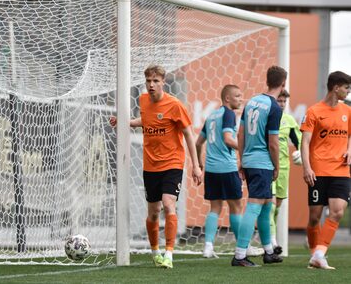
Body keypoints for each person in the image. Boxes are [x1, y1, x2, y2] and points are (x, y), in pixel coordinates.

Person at [110, 65, 202, 269]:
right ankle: (155, 252)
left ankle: (169, 254)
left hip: (172, 163)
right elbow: (147, 120)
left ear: (163, 82)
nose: (151, 85)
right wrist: (127, 122)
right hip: (150, 165)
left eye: (155, 81)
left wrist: (195, 165)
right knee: (153, 211)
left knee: (169, 204)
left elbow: (188, 134)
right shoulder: (143, 101)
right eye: (148, 81)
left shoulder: (175, 105)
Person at [232, 65, 287, 267]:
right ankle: (239, 256)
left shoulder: (252, 102)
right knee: (254, 206)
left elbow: (240, 134)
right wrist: (277, 167)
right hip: (263, 163)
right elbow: (273, 143)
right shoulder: (274, 107)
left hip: (249, 160)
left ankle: (269, 252)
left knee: (266, 207)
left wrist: (242, 160)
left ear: (267, 80)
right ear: (283, 84)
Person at [300, 71, 351, 270]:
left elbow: (349, 136)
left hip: (341, 170)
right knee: (314, 216)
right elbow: (305, 143)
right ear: (335, 87)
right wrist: (307, 168)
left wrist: (349, 150)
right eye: (346, 87)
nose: (348, 91)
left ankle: (320, 253)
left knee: (337, 211)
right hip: (318, 170)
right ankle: (314, 255)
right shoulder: (313, 111)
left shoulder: (347, 111)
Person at [196, 84, 243, 258]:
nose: (240, 99)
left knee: (215, 208)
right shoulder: (229, 114)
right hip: (228, 168)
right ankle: (242, 247)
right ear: (227, 98)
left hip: (212, 170)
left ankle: (208, 247)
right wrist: (246, 149)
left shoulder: (211, 116)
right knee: (236, 207)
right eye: (237, 96)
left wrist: (200, 164)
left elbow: (198, 143)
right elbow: (228, 139)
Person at [270, 89, 302, 253]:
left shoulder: (289, 120)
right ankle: (273, 242)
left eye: (284, 101)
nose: (281, 104)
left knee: (277, 207)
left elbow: (299, 142)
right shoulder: (267, 117)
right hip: (268, 167)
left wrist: (300, 153)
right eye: (279, 101)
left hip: (283, 168)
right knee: (271, 205)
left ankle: (269, 237)